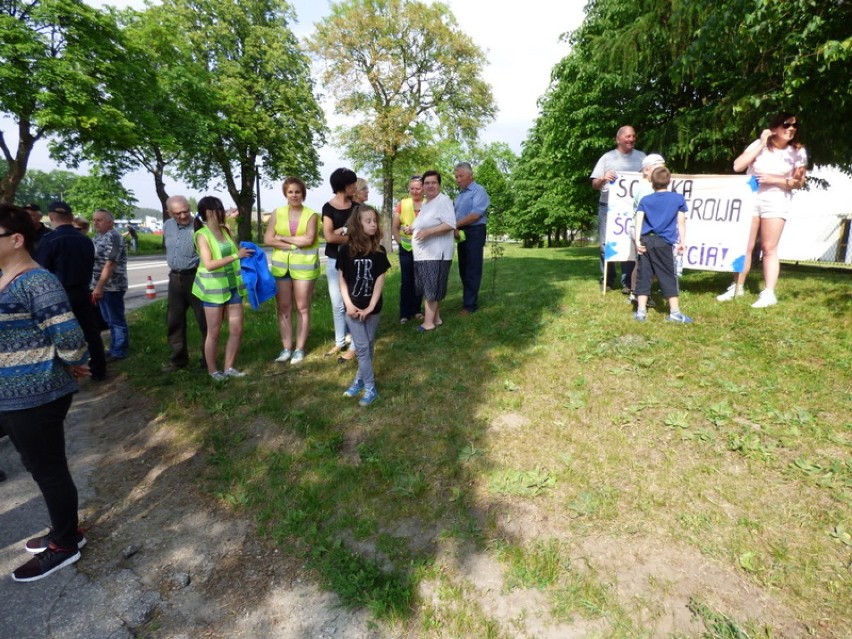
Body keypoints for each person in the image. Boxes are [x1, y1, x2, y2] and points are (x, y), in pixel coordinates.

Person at [0, 204, 90, 582]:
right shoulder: (6, 275)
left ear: (16, 239)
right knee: (39, 467)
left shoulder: (37, 281)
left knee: (48, 470)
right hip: (13, 393)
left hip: (37, 394)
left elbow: (68, 335)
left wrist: (75, 361)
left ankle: (66, 544)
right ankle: (63, 529)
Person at [716, 112, 808, 308]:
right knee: (745, 245)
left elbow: (799, 182)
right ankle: (737, 286)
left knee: (769, 248)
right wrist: (760, 143)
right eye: (786, 125)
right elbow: (738, 166)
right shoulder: (759, 146)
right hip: (751, 197)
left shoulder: (797, 151)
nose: (791, 129)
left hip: (776, 200)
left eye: (794, 126)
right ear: (774, 128)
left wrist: (775, 180)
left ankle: (768, 292)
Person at [36, 201, 108, 382]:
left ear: (51, 218)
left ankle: (63, 376)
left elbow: (42, 272)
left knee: (57, 335)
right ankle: (98, 371)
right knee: (91, 334)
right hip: (84, 292)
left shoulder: (49, 240)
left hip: (58, 295)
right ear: (70, 217)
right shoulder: (85, 240)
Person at [192, 196, 254, 380]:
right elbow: (209, 264)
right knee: (214, 332)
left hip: (233, 287)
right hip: (213, 291)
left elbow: (237, 252)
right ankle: (213, 371)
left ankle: (229, 367)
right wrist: (237, 256)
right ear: (210, 212)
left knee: (236, 329)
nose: (224, 213)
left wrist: (246, 252)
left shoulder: (225, 230)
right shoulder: (201, 235)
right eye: (220, 210)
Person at [337, 205, 391, 407]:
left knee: (367, 345)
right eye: (368, 221)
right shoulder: (345, 250)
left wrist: (371, 307)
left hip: (372, 308)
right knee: (361, 347)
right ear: (357, 224)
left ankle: (359, 381)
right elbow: (342, 281)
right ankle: (370, 387)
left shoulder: (379, 251)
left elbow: (379, 281)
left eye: (375, 221)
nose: (373, 224)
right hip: (352, 308)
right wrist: (349, 305)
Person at [264, 177, 319, 365]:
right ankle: (286, 348)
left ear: (303, 193)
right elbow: (268, 239)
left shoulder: (311, 214)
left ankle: (299, 349)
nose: (294, 195)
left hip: (304, 268)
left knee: (302, 307)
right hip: (282, 267)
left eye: (297, 191)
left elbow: (308, 239)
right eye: (290, 192)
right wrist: (292, 243)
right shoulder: (277, 213)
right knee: (283, 308)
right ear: (285, 194)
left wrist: (283, 237)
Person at [591, 125, 646, 292]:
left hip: (633, 204)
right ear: (618, 139)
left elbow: (650, 179)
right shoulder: (607, 158)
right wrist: (603, 178)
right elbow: (594, 184)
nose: (631, 139)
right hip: (608, 204)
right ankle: (607, 280)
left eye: (633, 136)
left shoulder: (642, 157)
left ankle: (628, 282)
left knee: (630, 241)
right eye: (628, 136)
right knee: (605, 243)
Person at [633, 167, 691, 323]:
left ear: (651, 182)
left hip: (646, 241)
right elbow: (681, 223)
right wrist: (682, 242)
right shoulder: (678, 199)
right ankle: (675, 313)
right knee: (667, 275)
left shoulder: (645, 200)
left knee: (644, 276)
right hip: (664, 243)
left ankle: (641, 312)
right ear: (669, 181)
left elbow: (638, 221)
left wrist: (637, 241)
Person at [162, 195, 208, 373]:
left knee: (204, 320)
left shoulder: (199, 227)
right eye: (177, 213)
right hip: (175, 279)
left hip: (196, 277)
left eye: (186, 211)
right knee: (174, 321)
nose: (183, 216)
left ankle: (207, 359)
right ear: (169, 213)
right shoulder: (167, 226)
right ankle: (178, 359)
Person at [412, 170, 456, 331]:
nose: (430, 186)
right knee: (429, 287)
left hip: (436, 254)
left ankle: (428, 323)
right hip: (424, 255)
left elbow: (450, 224)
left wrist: (427, 232)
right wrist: (413, 229)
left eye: (433, 182)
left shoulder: (444, 200)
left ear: (439, 184)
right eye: (427, 183)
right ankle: (436, 319)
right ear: (423, 186)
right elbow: (424, 223)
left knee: (432, 289)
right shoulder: (426, 203)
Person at [322, 168, 358, 362]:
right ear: (343, 186)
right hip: (335, 261)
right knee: (337, 304)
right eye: (352, 183)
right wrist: (349, 237)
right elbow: (328, 236)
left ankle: (354, 339)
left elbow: (361, 234)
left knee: (351, 301)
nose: (355, 186)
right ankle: (339, 341)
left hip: (353, 260)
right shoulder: (327, 207)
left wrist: (341, 234)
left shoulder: (357, 207)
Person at [91, 209, 130, 360]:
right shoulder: (98, 237)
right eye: (94, 220)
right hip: (100, 285)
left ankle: (119, 350)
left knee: (116, 320)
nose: (95, 223)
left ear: (110, 222)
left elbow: (110, 264)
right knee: (108, 320)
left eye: (99, 220)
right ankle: (114, 347)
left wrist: (99, 286)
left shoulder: (115, 237)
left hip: (113, 286)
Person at [453, 162, 490, 315]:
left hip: (474, 232)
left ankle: (470, 306)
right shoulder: (460, 195)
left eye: (461, 176)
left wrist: (455, 225)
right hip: (462, 234)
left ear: (470, 175)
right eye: (456, 177)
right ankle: (467, 300)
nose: (458, 179)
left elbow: (475, 215)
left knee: (472, 269)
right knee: (463, 269)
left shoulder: (479, 191)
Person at [392, 176, 424, 323]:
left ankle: (416, 309)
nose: (415, 191)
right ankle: (404, 313)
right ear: (408, 189)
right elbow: (395, 227)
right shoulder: (402, 204)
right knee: (407, 281)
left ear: (423, 188)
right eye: (412, 188)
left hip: (423, 248)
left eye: (418, 188)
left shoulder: (428, 204)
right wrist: (400, 243)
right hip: (406, 248)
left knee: (419, 280)